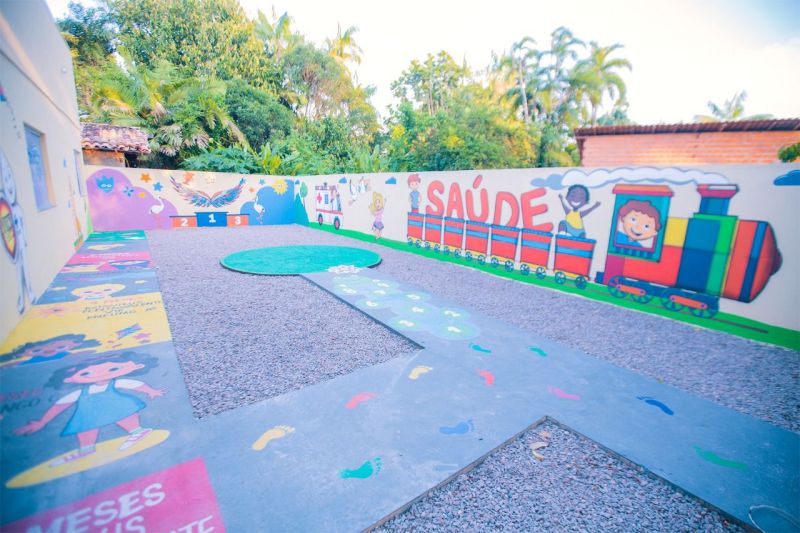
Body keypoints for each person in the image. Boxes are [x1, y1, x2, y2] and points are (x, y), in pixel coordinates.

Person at [15, 353, 165, 465]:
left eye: (112, 369)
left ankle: (138, 431)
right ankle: (86, 449)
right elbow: (61, 404)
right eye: (86, 373)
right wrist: (42, 421)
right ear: (68, 379)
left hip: (117, 406)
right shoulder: (81, 392)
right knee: (85, 427)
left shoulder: (114, 383)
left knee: (125, 415)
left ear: (137, 366)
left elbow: (134, 385)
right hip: (90, 414)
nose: (101, 374)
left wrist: (151, 391)